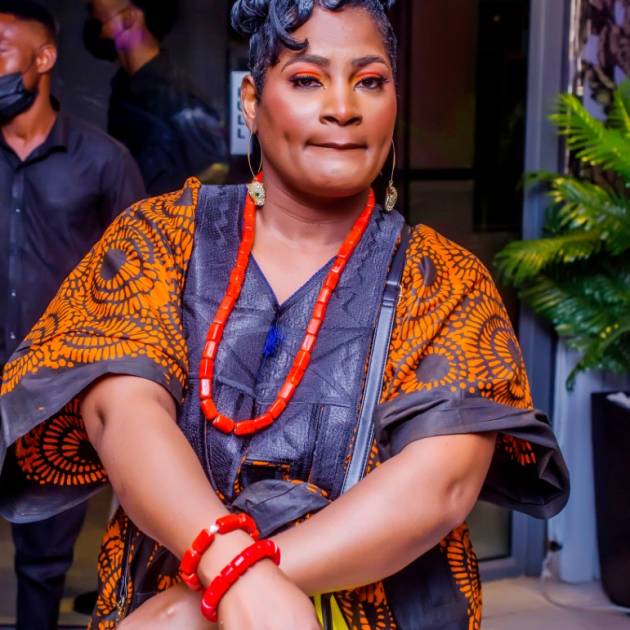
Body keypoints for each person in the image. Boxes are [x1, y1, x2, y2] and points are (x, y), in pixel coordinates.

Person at [0, 1, 569, 628]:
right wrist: (231, 570)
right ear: (251, 102)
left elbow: (440, 486)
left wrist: (216, 594)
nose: (343, 108)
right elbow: (122, 412)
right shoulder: (161, 238)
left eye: (369, 81)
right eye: (307, 79)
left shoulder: (445, 280)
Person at [0, 2, 145, 628]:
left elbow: (138, 282)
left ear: (44, 58)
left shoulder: (103, 161)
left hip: (52, 393)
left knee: (43, 562)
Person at [83, 0, 228, 196]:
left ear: (128, 18)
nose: (94, 28)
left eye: (99, 20)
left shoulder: (176, 100)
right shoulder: (125, 91)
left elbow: (214, 178)